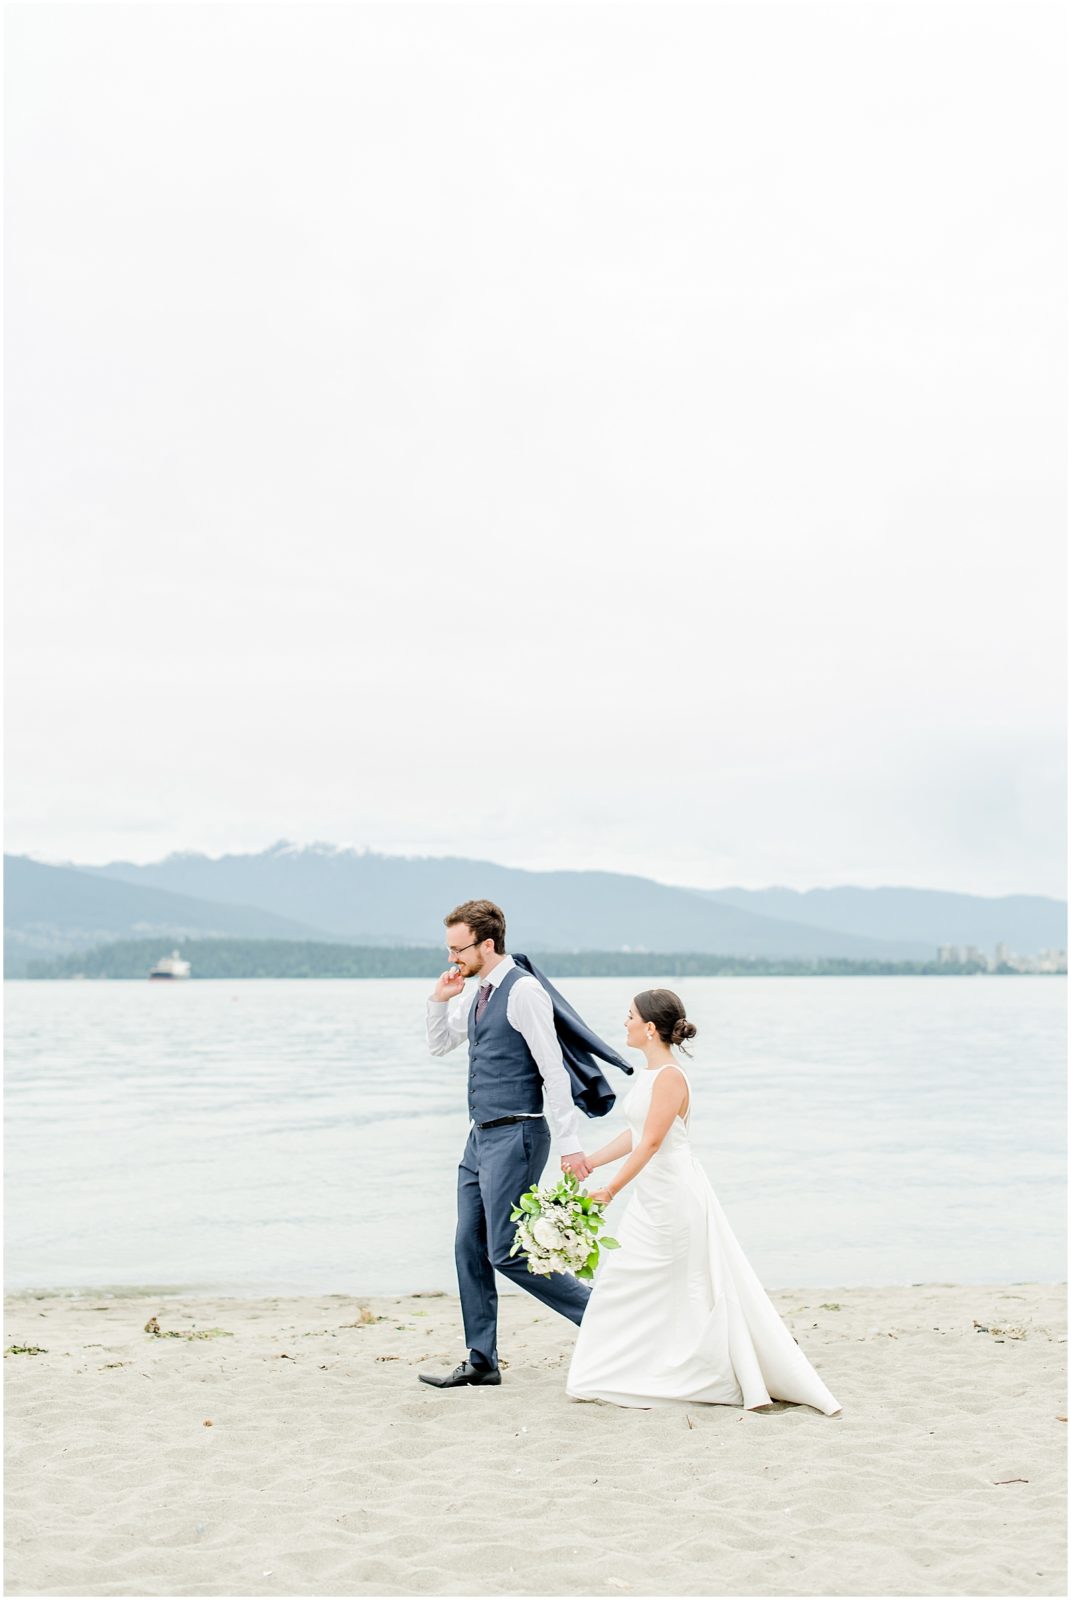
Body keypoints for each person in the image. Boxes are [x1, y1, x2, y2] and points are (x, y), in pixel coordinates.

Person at [566, 988, 841, 1414]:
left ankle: (691, 1370)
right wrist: (592, 1162)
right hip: (652, 1195)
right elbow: (637, 1134)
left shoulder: (671, 1077)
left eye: (630, 1016)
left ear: (650, 1028)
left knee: (674, 1283)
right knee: (631, 1280)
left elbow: (653, 1142)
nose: (625, 1023)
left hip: (673, 1196)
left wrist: (611, 1190)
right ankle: (639, 1365)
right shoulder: (650, 1074)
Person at [419, 898, 626, 1390]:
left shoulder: (523, 991)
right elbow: (440, 1045)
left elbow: (553, 1070)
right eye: (448, 949)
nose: (452, 959)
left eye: (458, 949)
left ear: (486, 944)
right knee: (468, 1245)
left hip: (518, 1132)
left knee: (506, 1250)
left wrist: (571, 1145)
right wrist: (439, 999)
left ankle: (607, 1317)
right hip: (480, 1137)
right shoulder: (477, 992)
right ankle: (481, 1359)